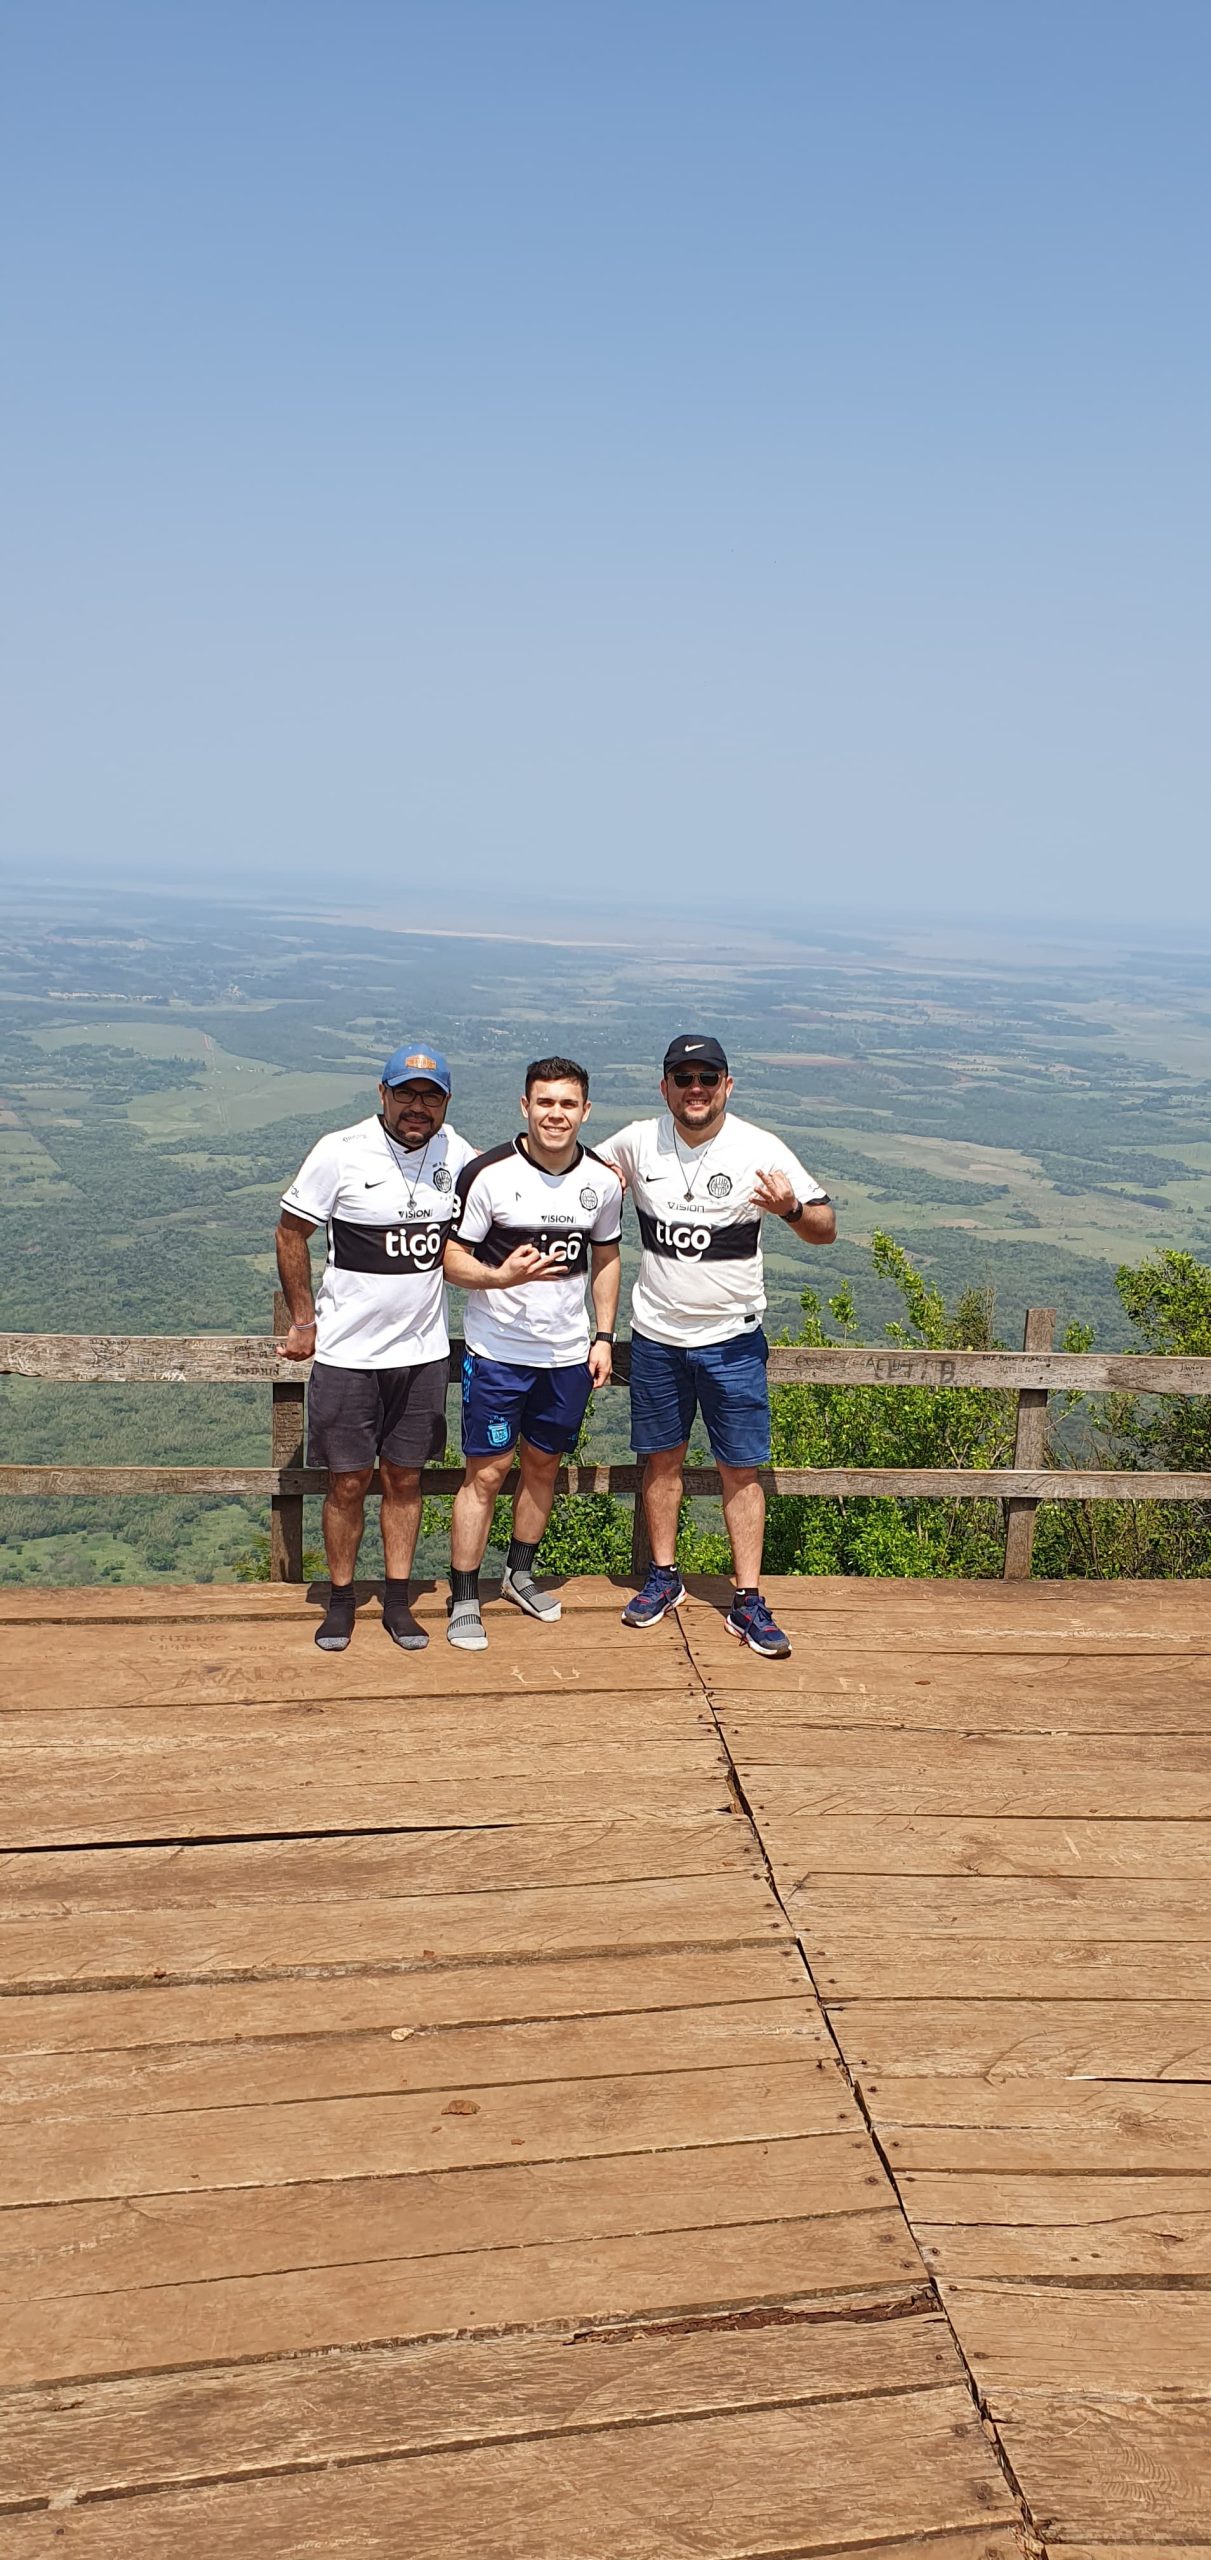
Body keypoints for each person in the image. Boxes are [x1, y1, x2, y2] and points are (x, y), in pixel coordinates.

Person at [597, 1033, 835, 1658]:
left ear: (728, 1085)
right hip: (657, 1338)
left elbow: (826, 1227)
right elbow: (574, 1176)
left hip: (732, 1340)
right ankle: (663, 1577)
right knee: (661, 1463)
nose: (695, 1088)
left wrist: (790, 1209)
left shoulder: (760, 1148)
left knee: (740, 1470)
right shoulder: (636, 1141)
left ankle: (748, 1598)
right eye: (684, 1078)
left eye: (708, 1078)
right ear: (665, 1087)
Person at [275, 1044, 476, 1652]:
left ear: (445, 1103)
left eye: (431, 1097)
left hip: (421, 1355)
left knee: (405, 1480)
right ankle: (340, 1599)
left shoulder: (457, 1153)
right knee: (346, 1482)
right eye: (406, 1093)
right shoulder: (340, 1150)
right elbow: (291, 1232)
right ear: (382, 1094)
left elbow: (511, 1192)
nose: (418, 1106)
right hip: (348, 1356)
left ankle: (396, 1601)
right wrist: (304, 1319)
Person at [442, 1056, 623, 1650]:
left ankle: (518, 1575)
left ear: (586, 1110)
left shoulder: (601, 1181)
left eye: (568, 1103)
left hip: (566, 1356)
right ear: (525, 1106)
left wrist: (603, 1336)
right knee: (486, 1473)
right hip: (498, 1353)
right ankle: (464, 1597)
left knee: (544, 1466)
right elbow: (450, 1258)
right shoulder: (487, 1174)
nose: (555, 1114)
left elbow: (606, 1257)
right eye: (545, 1102)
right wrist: (500, 1278)